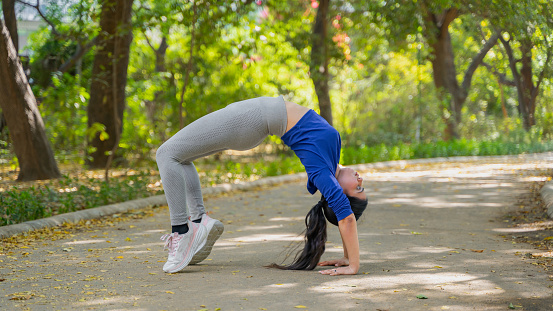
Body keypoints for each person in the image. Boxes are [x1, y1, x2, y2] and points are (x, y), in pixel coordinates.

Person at [156, 96, 368, 275]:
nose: (360, 179)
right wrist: (347, 257)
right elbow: (344, 215)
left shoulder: (321, 171)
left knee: (166, 153)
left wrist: (354, 265)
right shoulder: (330, 160)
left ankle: (182, 232)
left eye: (358, 188)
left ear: (338, 193)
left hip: (249, 119)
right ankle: (199, 220)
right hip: (250, 118)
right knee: (181, 157)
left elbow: (346, 217)